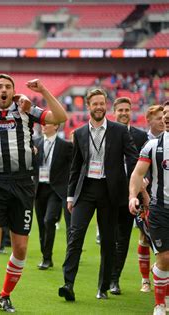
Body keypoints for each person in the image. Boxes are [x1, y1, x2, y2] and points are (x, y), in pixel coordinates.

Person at [0, 75, 68, 312]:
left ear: (13, 91)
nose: (3, 90)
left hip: (23, 184)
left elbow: (61, 117)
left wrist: (43, 90)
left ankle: (5, 295)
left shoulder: (26, 109)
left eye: (7, 86)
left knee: (20, 248)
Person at [59, 88, 138, 302]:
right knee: (75, 236)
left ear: (106, 105)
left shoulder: (120, 130)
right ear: (88, 107)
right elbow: (76, 167)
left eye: (102, 103)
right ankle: (68, 284)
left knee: (108, 241)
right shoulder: (81, 133)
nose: (99, 107)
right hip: (85, 191)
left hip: (111, 193)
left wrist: (133, 184)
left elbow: (133, 159)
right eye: (95, 104)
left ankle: (103, 287)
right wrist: (69, 196)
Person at [128, 101, 169, 315]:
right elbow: (137, 174)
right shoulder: (152, 146)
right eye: (165, 113)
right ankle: (159, 304)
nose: (167, 117)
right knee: (164, 257)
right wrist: (132, 196)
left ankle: (162, 285)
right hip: (159, 208)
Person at [109, 97, 148, 295]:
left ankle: (115, 279)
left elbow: (147, 164)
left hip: (129, 196)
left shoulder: (141, 136)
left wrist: (144, 184)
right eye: (120, 110)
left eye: (127, 109)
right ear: (114, 112)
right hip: (108, 194)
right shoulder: (107, 133)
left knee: (123, 238)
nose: (124, 113)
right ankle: (105, 277)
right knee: (109, 237)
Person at [34, 122, 73, 270]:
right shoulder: (35, 143)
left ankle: (47, 257)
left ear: (56, 126)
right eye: (43, 123)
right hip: (39, 189)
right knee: (41, 225)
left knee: (49, 220)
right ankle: (46, 258)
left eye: (48, 123)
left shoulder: (65, 145)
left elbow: (73, 167)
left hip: (56, 190)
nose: (44, 125)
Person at [138, 104, 165, 292]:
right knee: (144, 237)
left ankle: (159, 277)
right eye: (158, 118)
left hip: (162, 198)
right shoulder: (143, 140)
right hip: (144, 197)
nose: (162, 121)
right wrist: (142, 194)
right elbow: (137, 171)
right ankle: (146, 279)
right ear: (149, 120)